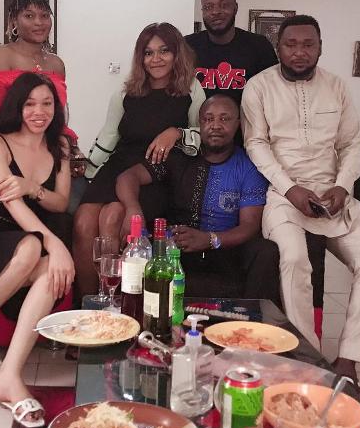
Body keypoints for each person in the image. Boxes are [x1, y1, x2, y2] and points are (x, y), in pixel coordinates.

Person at [241, 14, 360, 403]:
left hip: (333, 196)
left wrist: (342, 186)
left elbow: (351, 143)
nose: (300, 52)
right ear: (278, 48)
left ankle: (348, 362)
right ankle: (307, 361)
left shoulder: (336, 86)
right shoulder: (259, 87)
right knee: (294, 260)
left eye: (308, 44)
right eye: (291, 44)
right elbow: (256, 144)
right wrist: (291, 189)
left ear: (320, 47)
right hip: (283, 196)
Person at [0, 72, 75, 428]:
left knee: (49, 270)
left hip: (29, 237)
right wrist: (53, 243)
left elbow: (60, 202)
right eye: (30, 104)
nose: (39, 112)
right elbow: (11, 205)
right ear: (17, 106)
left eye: (47, 103)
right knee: (32, 249)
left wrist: (32, 187)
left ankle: (9, 375)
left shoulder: (60, 146)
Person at [73, 22, 205, 301]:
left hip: (156, 173)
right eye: (148, 52)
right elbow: (108, 137)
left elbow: (203, 136)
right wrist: (86, 170)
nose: (156, 59)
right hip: (118, 164)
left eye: (164, 51)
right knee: (83, 222)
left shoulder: (191, 89)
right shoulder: (125, 92)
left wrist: (177, 132)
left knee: (112, 216)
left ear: (177, 53)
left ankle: (116, 304)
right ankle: (88, 303)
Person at [116, 94, 281, 305]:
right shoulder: (180, 156)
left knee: (266, 251)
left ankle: (254, 322)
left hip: (225, 249)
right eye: (208, 119)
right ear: (199, 124)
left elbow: (250, 225)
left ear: (238, 124)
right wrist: (133, 209)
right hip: (178, 250)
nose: (216, 125)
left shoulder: (248, 167)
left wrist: (210, 239)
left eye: (224, 118)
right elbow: (128, 177)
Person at [0, 0, 86, 179]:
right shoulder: (2, 56)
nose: (39, 22)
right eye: (29, 16)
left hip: (50, 153)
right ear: (14, 21)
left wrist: (70, 146)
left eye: (44, 16)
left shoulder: (56, 64)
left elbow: (57, 116)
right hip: (9, 155)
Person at [185, 0, 278, 103]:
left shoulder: (259, 46)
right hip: (195, 116)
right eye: (208, 7)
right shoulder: (187, 46)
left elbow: (272, 93)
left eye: (223, 5)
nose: (215, 12)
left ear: (235, 8)